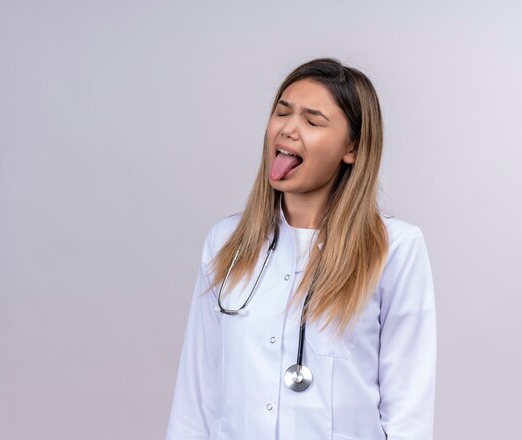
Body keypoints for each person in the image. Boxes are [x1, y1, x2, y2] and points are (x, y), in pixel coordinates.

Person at [166, 58, 436, 440]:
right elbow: (196, 398)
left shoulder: (395, 249)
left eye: (312, 121)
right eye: (282, 112)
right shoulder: (226, 242)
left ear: (353, 148)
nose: (288, 129)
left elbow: (409, 413)